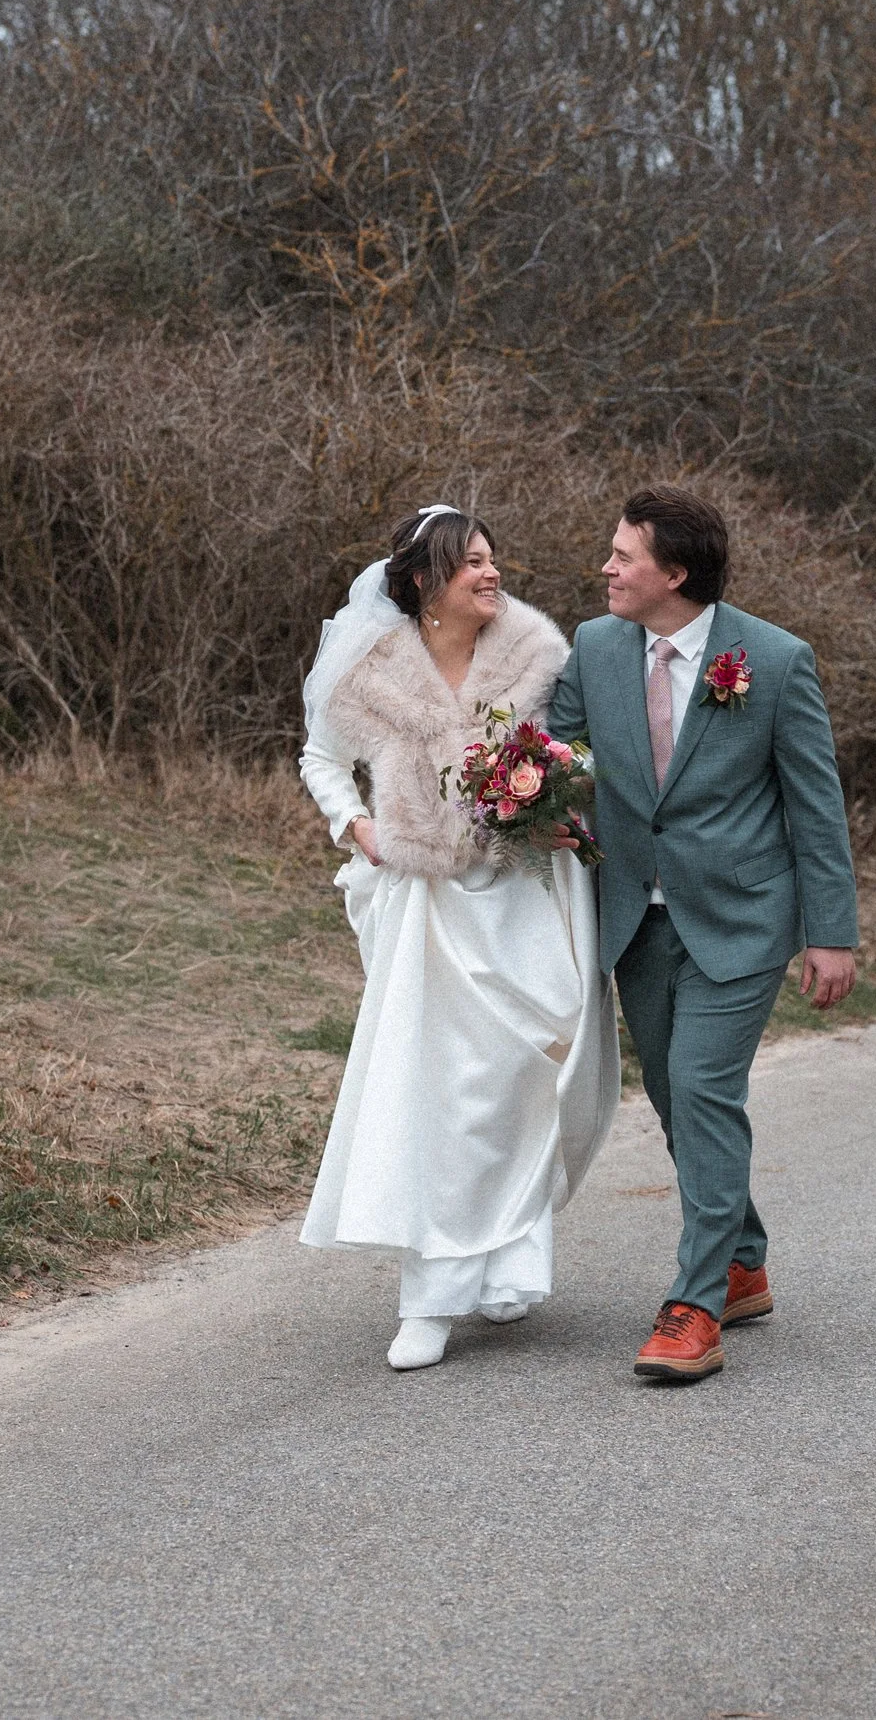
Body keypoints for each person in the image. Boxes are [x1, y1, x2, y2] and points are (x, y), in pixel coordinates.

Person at [298, 504, 619, 1370]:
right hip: (430, 903)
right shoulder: (370, 670)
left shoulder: (538, 655)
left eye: (491, 558)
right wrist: (355, 825)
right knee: (442, 1092)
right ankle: (431, 1298)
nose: (491, 572)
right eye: (471, 561)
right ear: (422, 582)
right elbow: (320, 757)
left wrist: (561, 796)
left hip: (527, 891)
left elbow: (581, 750)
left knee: (529, 1074)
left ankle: (512, 1259)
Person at [549, 487, 858, 1383]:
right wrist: (524, 801)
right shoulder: (594, 646)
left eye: (623, 556)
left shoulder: (775, 660)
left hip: (742, 918)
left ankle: (694, 1305)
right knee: (674, 1096)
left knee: (700, 1086)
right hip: (631, 919)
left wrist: (830, 933)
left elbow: (814, 806)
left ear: (674, 574)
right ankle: (743, 1261)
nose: (606, 568)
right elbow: (552, 756)